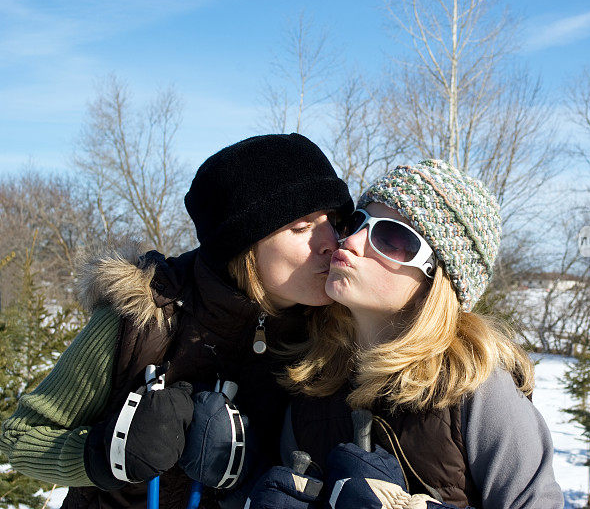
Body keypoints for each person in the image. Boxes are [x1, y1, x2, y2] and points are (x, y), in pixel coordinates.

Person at [0, 133, 354, 509]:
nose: (330, 241)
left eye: (332, 220)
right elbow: (20, 439)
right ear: (243, 243)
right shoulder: (143, 315)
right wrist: (107, 455)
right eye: (301, 227)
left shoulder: (337, 332)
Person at [256, 159, 563, 509]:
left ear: (436, 278)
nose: (351, 241)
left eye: (391, 238)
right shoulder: (310, 382)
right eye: (357, 221)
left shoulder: (476, 388)